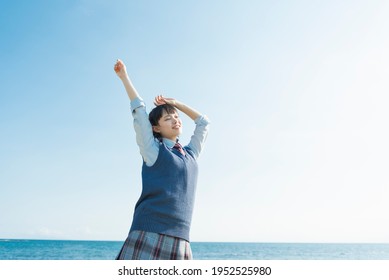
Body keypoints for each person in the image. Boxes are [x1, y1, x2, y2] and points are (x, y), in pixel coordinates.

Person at [113, 59, 210, 260]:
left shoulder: (191, 154)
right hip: (148, 233)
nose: (175, 120)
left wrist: (176, 104)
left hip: (181, 238)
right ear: (156, 128)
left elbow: (203, 123)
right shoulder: (153, 151)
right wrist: (124, 77)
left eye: (176, 117)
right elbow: (140, 113)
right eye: (168, 118)